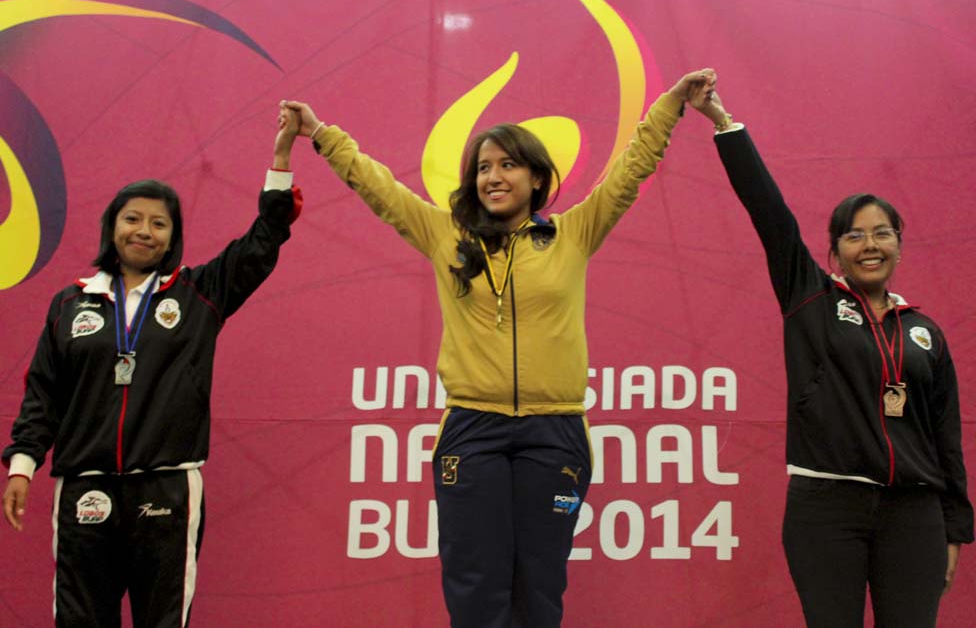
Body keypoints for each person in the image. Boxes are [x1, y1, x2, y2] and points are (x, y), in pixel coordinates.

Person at [281, 68, 715, 628]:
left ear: (536, 178)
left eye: (507, 164)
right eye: (483, 167)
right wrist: (320, 134)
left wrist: (672, 104)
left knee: (539, 588)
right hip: (473, 430)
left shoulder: (573, 233)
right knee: (475, 589)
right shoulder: (445, 236)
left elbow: (631, 169)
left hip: (554, 432)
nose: (493, 176)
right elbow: (378, 186)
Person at [2, 107, 304, 627]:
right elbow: (44, 392)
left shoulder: (199, 294)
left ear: (173, 236)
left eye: (158, 223)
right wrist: (23, 464)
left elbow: (262, 242)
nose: (144, 231)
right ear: (112, 227)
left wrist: (281, 157)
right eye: (132, 219)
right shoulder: (71, 305)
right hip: (84, 489)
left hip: (166, 490)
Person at [691, 93, 974, 627]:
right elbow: (769, 212)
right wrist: (724, 123)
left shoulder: (923, 331)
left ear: (899, 246)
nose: (870, 245)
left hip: (913, 514)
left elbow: (945, 436)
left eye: (882, 233)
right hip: (826, 506)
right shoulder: (811, 298)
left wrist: (955, 526)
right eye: (854, 235)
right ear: (835, 250)